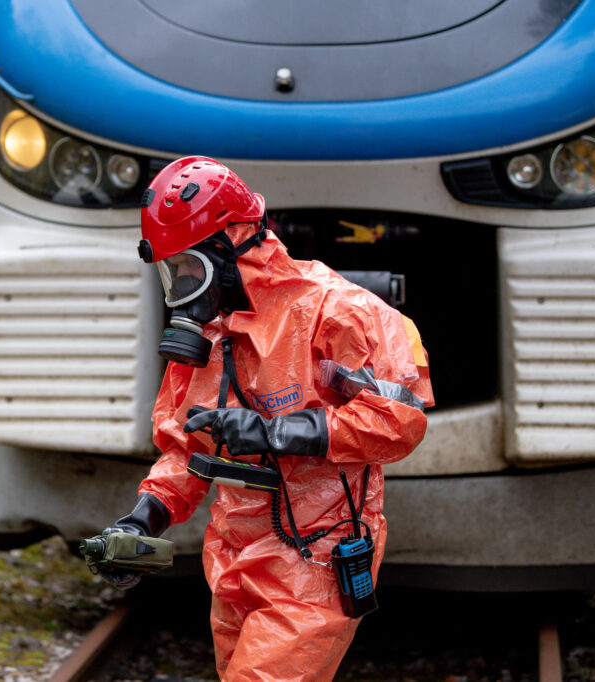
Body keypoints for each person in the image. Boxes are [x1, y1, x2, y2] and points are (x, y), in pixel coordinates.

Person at [99, 156, 433, 680]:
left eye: (189, 268)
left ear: (229, 246)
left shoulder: (338, 312)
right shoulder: (213, 335)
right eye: (173, 273)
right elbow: (187, 448)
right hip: (234, 561)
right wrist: (143, 519)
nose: (183, 288)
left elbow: (398, 422)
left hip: (316, 561)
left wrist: (276, 433)